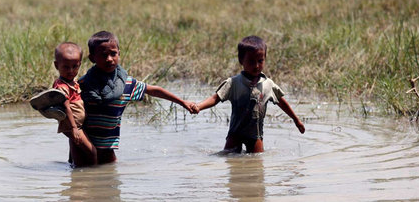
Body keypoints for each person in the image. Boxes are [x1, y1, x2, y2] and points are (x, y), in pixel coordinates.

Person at [79, 31, 198, 164]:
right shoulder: (85, 84)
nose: (109, 59)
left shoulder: (126, 84)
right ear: (92, 58)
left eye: (113, 53)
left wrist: (182, 102)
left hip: (108, 147)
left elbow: (155, 91)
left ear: (119, 53)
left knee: (110, 177)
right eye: (103, 55)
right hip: (83, 146)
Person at [195, 35, 305, 153]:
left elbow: (282, 102)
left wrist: (296, 120)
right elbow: (216, 98)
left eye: (260, 61)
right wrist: (199, 106)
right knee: (228, 157)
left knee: (257, 162)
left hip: (255, 134)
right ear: (241, 60)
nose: (256, 65)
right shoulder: (234, 83)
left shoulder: (268, 85)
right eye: (251, 61)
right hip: (235, 132)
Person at [31, 42, 97, 167]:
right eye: (66, 67)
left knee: (76, 152)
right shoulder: (61, 86)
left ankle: (75, 173)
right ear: (57, 65)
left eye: (75, 66)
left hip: (77, 125)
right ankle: (95, 176)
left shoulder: (73, 82)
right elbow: (66, 107)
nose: (71, 71)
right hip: (72, 126)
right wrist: (74, 128)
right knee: (92, 152)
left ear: (80, 65)